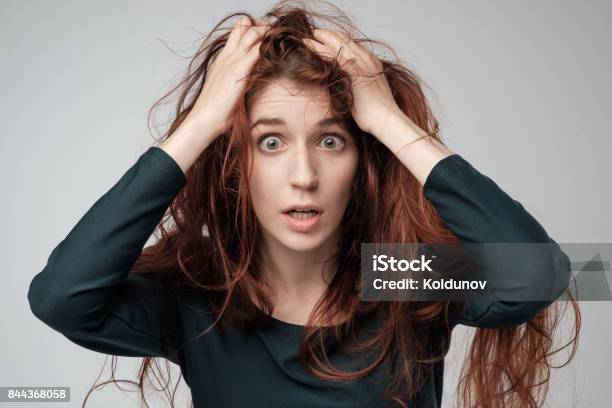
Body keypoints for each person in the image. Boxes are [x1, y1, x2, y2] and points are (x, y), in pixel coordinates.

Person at [27, 1, 580, 407]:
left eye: (331, 140)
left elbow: (540, 274)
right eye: (270, 142)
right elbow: (60, 299)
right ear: (234, 165)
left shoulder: (398, 275)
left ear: (362, 160)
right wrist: (200, 125)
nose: (304, 176)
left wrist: (388, 120)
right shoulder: (200, 297)